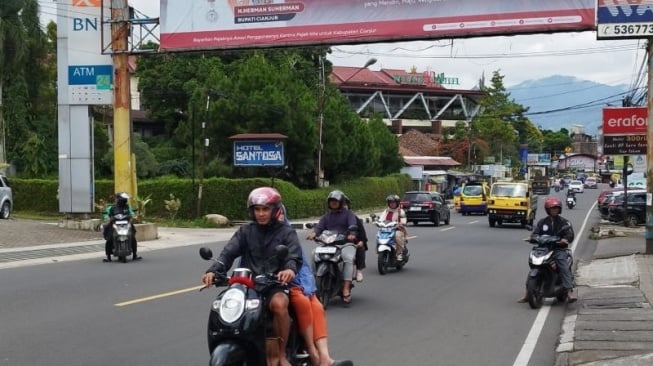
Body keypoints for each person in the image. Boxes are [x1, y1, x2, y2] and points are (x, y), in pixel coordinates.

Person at [201, 187, 303, 366]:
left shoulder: (286, 232)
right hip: (247, 285)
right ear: (252, 211)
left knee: (280, 305)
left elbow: (293, 256)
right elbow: (228, 252)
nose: (261, 214)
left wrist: (289, 269)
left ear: (275, 210)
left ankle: (280, 354)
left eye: (265, 209)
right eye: (257, 209)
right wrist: (214, 270)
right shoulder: (245, 231)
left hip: (273, 284)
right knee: (223, 306)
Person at [278, 206, 354, 366]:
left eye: (278, 212)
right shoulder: (251, 233)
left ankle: (324, 357)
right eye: (260, 209)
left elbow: (300, 264)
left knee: (317, 305)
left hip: (294, 282)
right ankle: (312, 351)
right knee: (302, 298)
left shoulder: (287, 233)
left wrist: (306, 285)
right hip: (273, 285)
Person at [518, 196, 577, 304]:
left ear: (559, 209)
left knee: (563, 266)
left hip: (558, 250)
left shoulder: (564, 222)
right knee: (534, 266)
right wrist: (532, 238)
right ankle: (527, 294)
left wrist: (565, 239)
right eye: (552, 208)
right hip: (543, 249)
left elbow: (570, 235)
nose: (554, 210)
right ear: (547, 209)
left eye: (556, 208)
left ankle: (569, 292)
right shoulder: (542, 222)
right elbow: (535, 233)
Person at [307, 190, 358, 304]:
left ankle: (345, 288)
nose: (333, 203)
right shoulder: (326, 216)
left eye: (336, 201)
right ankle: (314, 281)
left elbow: (352, 225)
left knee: (348, 258)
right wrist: (314, 234)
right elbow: (319, 228)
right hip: (328, 243)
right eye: (331, 201)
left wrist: (351, 234)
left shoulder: (348, 214)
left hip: (344, 243)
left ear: (341, 202)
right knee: (314, 254)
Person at [102, 192, 141, 262]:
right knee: (109, 238)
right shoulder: (112, 207)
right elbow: (106, 215)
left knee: (132, 237)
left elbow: (132, 213)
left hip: (126, 224)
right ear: (118, 199)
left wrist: (133, 216)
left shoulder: (127, 207)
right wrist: (107, 218)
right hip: (114, 225)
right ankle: (108, 256)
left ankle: (135, 255)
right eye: (123, 199)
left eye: (125, 199)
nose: (124, 200)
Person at [342, 195, 368, 283]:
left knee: (360, 247)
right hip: (335, 242)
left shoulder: (353, 217)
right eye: (341, 204)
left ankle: (359, 271)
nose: (343, 206)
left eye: (345, 204)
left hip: (351, 243)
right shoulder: (330, 217)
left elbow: (362, 232)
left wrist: (361, 241)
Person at [377, 194, 408, 261]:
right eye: (390, 202)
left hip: (398, 229)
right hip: (387, 229)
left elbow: (403, 220)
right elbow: (381, 219)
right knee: (378, 235)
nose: (392, 204)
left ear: (397, 203)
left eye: (393, 202)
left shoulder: (400, 211)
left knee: (397, 236)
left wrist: (401, 223)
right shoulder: (386, 211)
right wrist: (377, 222)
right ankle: (379, 249)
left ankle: (399, 254)